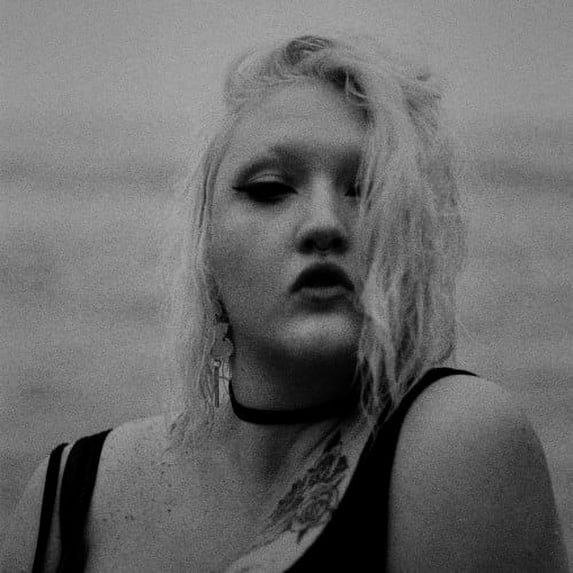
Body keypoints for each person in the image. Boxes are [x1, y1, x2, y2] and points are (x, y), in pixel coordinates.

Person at [1, 34, 568, 572]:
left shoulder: (460, 437)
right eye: (270, 189)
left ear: (413, 241)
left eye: (369, 189)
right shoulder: (65, 492)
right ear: (206, 247)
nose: (324, 224)